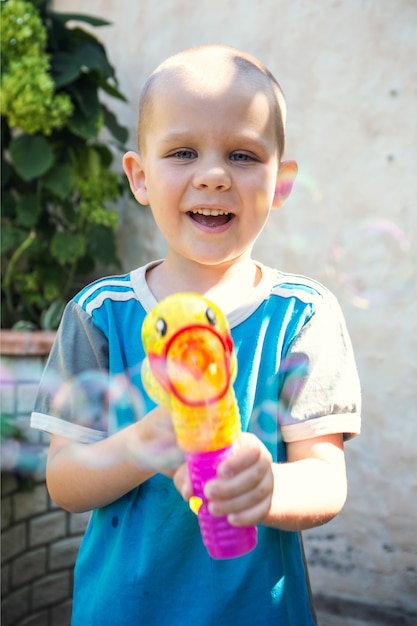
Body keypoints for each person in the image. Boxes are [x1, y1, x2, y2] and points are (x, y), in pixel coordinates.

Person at [31, 44, 361, 625]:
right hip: (123, 612)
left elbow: (325, 482)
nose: (213, 175)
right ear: (139, 176)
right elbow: (64, 480)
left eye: (242, 154)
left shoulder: (303, 315)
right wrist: (146, 441)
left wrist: (269, 488)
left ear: (280, 185)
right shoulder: (100, 314)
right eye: (183, 152)